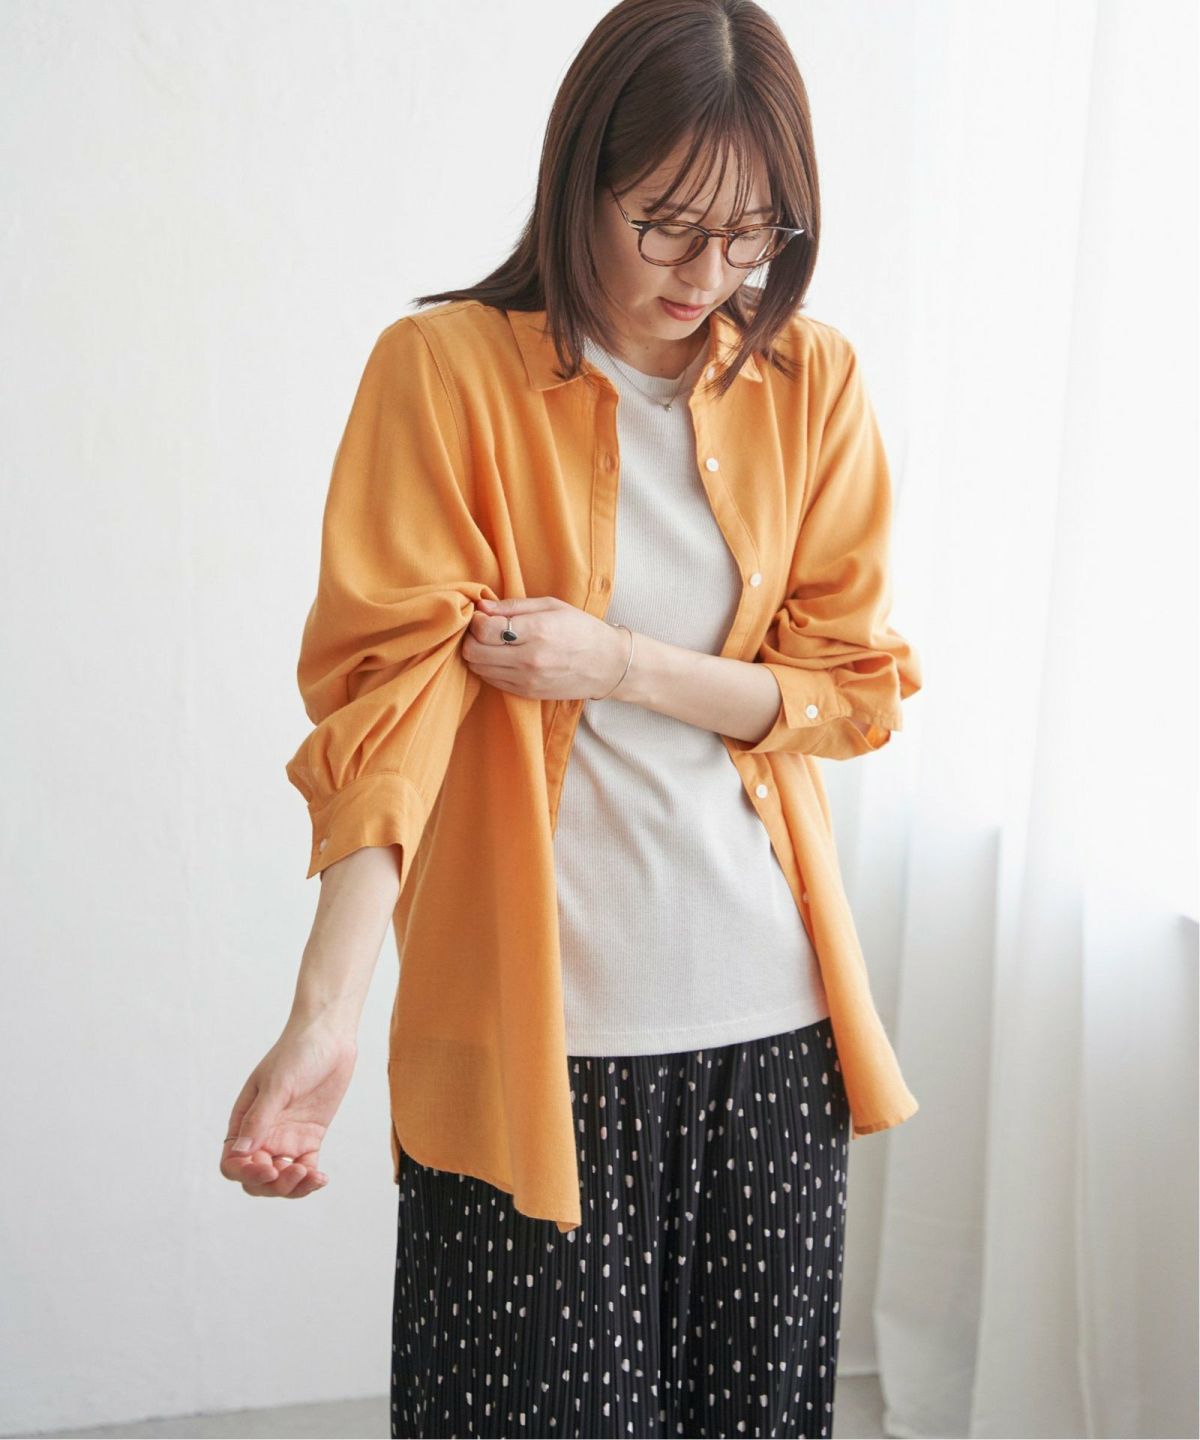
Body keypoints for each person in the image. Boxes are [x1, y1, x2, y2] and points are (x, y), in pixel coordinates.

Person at [220, 1, 923, 1435]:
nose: (708, 275)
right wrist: (323, 1015)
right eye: (667, 224)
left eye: (752, 235)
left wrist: (618, 663)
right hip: (540, 1048)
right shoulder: (445, 375)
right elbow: (388, 721)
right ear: (580, 174)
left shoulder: (812, 383)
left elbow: (853, 692)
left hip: (773, 1029)